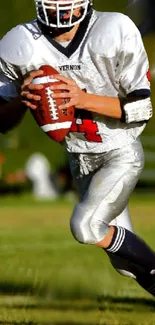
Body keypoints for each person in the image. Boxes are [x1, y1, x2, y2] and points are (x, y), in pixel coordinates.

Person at [0, 0, 155, 296]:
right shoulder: (19, 42)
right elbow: (3, 122)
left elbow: (141, 109)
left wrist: (81, 99)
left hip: (119, 152)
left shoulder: (114, 29)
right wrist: (23, 98)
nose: (60, 8)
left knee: (86, 226)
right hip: (80, 160)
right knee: (124, 265)